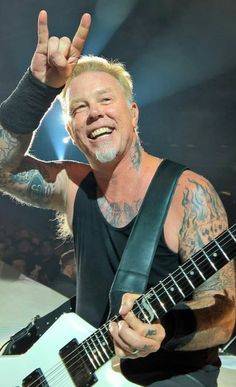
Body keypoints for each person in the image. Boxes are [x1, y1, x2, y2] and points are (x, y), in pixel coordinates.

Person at [0, 9, 235, 387]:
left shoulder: (189, 193)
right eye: (79, 108)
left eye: (105, 100)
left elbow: (224, 313)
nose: (94, 114)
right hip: (83, 366)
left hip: (173, 374)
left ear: (133, 113)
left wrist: (165, 331)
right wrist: (37, 89)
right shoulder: (72, 185)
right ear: (72, 132)